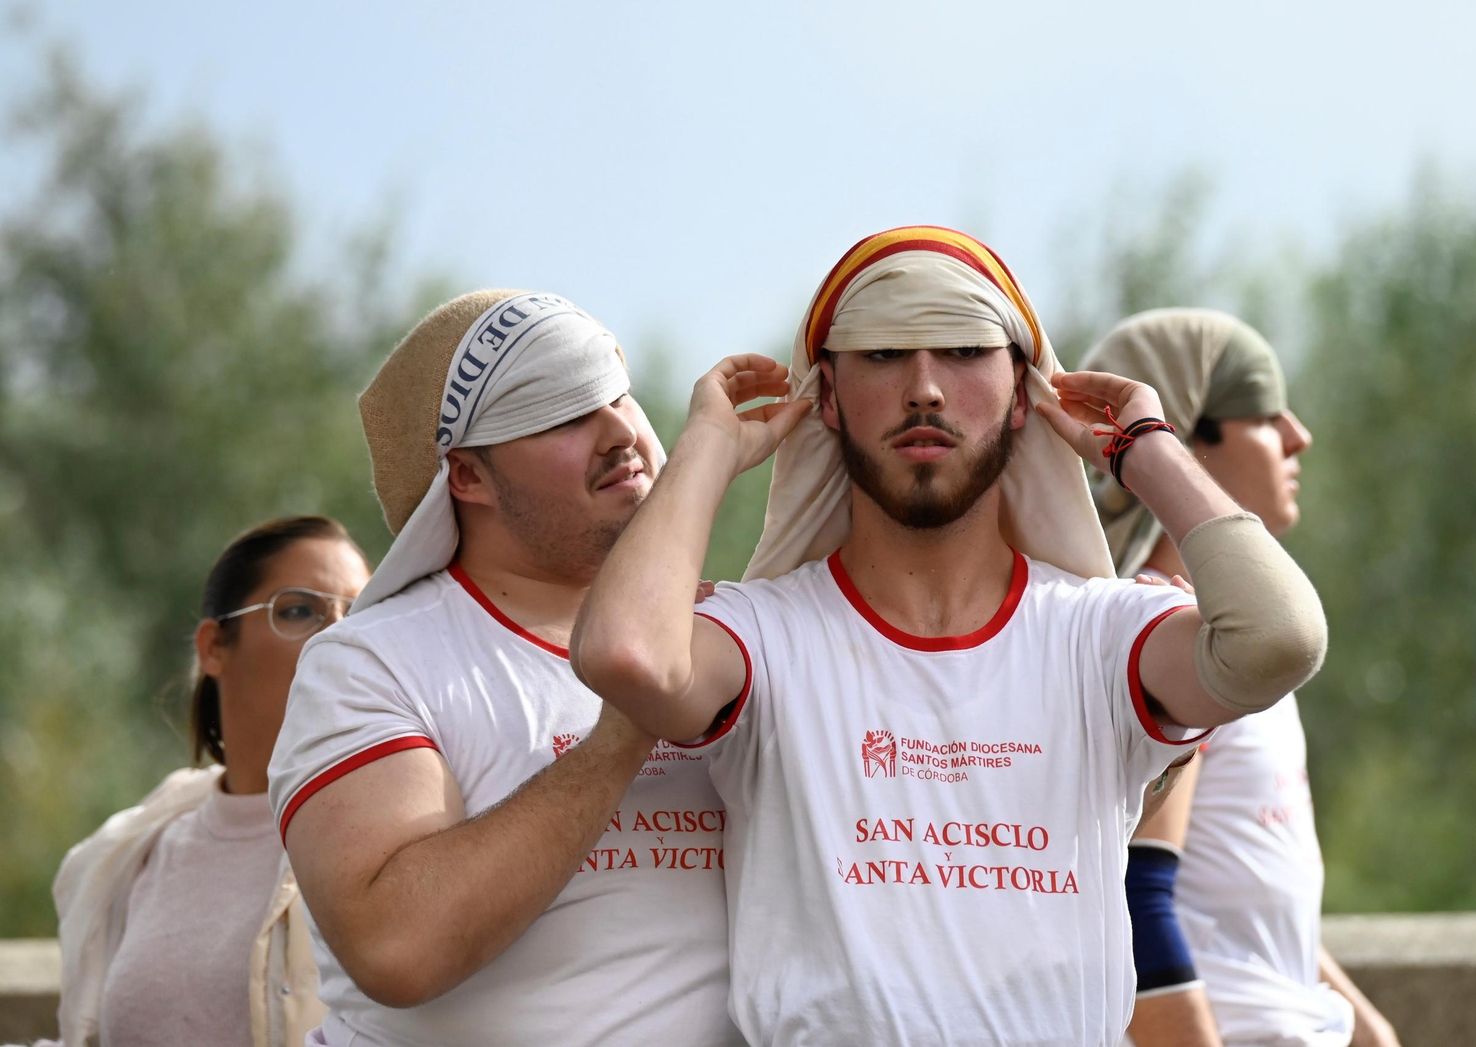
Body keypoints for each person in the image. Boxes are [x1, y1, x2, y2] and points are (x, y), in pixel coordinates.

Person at [572, 225, 1329, 1044]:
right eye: (884, 353)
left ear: (1022, 395)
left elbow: (1279, 639)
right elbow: (627, 654)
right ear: (824, 397)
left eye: (967, 351)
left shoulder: (1101, 637)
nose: (925, 388)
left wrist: (1142, 446)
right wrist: (711, 447)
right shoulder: (765, 637)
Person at [266, 291, 739, 1046]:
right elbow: (397, 947)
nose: (620, 431)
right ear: (467, 477)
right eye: (562, 411)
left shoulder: (725, 635)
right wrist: (625, 729)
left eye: (617, 392)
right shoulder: (370, 662)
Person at [1081, 309, 1398, 1047]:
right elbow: (1135, 904)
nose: (1298, 435)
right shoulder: (1168, 639)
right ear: (1183, 438)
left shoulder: (1237, 644)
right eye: (1263, 410)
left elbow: (1241, 910)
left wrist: (1369, 1029)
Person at [44, 515, 368, 1047]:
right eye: (300, 610)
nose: (339, 635)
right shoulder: (137, 851)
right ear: (214, 646)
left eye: (358, 613)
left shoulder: (395, 836)